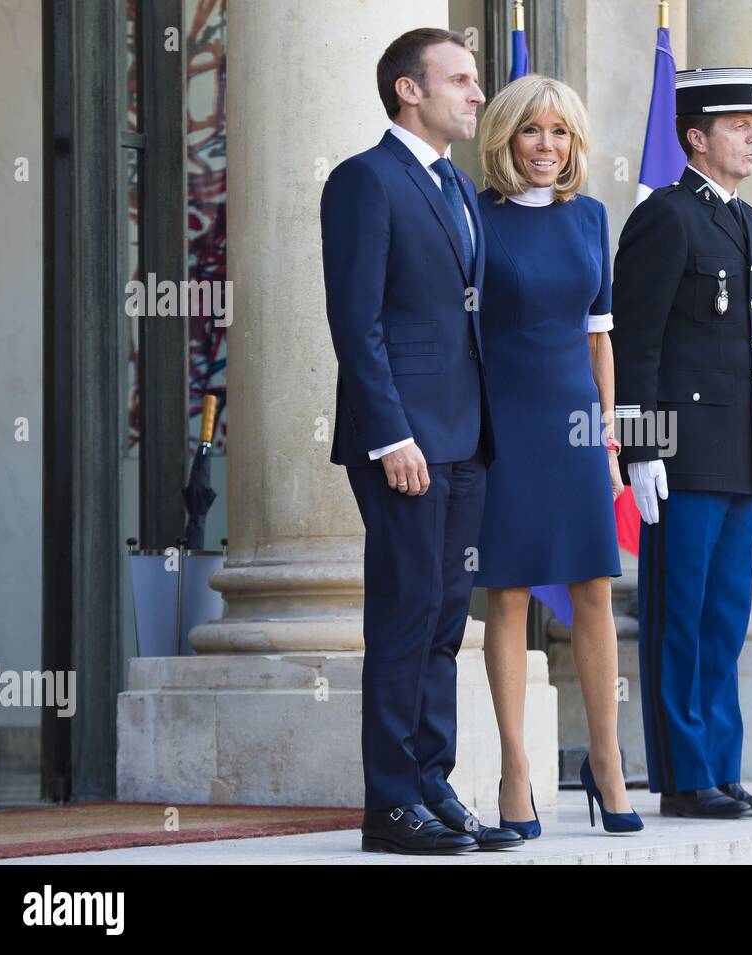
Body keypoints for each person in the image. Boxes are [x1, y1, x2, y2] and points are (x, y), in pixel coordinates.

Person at [320, 28, 522, 854]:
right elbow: (356, 319)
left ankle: (432, 786)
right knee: (403, 619)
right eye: (462, 81)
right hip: (403, 441)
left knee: (443, 622)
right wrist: (389, 432)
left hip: (465, 439)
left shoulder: (461, 189)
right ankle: (389, 804)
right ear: (410, 90)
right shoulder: (365, 181)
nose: (477, 95)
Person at [611, 67, 752, 819]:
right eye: (737, 122)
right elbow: (635, 342)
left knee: (725, 617)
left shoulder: (747, 221)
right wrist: (641, 448)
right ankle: (684, 777)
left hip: (738, 447)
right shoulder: (666, 218)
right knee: (678, 616)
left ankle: (722, 764)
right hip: (680, 452)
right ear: (695, 136)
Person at [473, 74, 642, 836]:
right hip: (503, 423)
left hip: (577, 425)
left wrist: (609, 437)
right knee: (507, 593)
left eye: (561, 133)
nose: (547, 146)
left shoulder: (592, 219)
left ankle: (605, 760)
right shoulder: (477, 217)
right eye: (532, 131)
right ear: (505, 139)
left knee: (595, 587)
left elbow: (599, 338)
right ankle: (515, 768)